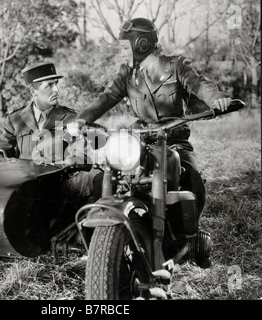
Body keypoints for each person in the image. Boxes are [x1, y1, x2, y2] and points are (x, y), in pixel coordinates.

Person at [67, 18, 232, 268]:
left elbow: (199, 84)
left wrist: (217, 98)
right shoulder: (128, 74)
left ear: (140, 43)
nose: (123, 52)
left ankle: (189, 238)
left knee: (193, 179)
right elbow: (107, 97)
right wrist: (81, 120)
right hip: (140, 139)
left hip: (174, 139)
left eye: (125, 46)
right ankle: (105, 238)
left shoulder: (176, 65)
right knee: (108, 175)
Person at [0, 61, 103, 204]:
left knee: (99, 178)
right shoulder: (15, 119)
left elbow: (83, 157)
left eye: (56, 83)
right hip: (25, 189)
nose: (56, 89)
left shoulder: (72, 118)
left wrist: (63, 165)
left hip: (61, 188)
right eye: (49, 85)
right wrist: (9, 166)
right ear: (33, 91)